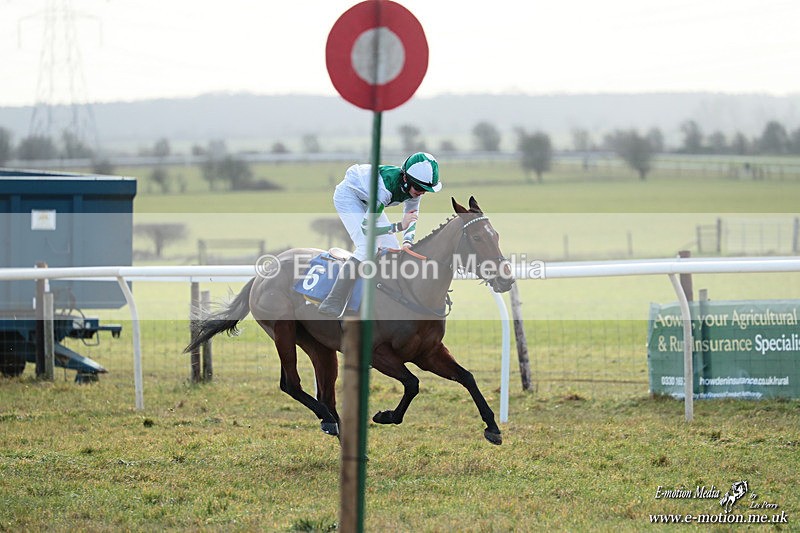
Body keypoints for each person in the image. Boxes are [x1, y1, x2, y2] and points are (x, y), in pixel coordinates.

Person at [317, 151, 443, 317]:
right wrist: (398, 226)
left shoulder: (413, 188)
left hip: (369, 201)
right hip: (349, 196)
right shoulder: (385, 189)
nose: (422, 192)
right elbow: (366, 229)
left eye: (426, 190)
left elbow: (412, 215)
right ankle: (333, 300)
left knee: (393, 248)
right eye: (420, 188)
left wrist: (408, 241)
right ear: (406, 179)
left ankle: (383, 298)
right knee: (367, 247)